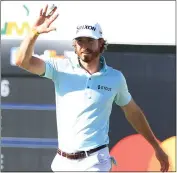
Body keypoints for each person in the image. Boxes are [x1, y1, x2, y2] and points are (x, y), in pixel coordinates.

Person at [15, 4, 169, 172]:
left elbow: (133, 112)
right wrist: (33, 33)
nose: (84, 45)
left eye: (90, 40)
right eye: (80, 40)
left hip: (95, 162)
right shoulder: (60, 68)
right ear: (74, 44)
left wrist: (156, 147)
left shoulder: (115, 78)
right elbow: (22, 61)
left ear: (101, 43)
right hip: (63, 162)